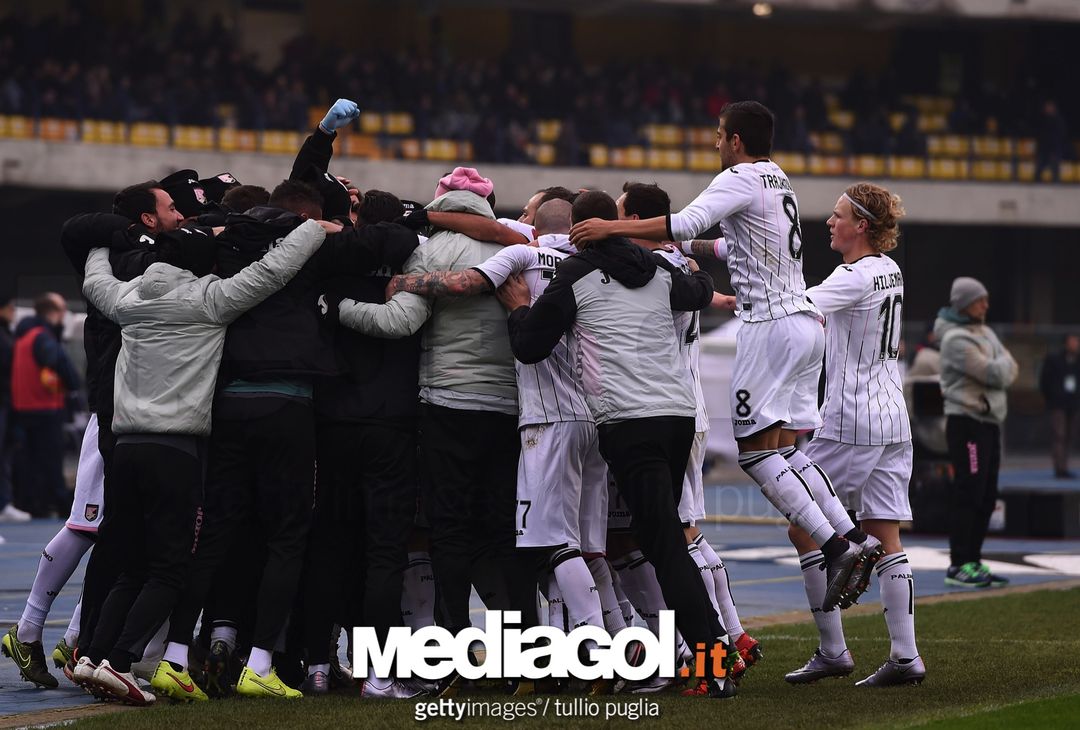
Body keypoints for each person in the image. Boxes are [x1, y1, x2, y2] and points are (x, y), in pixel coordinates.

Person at [570, 101, 878, 612]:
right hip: (803, 322)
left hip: (771, 326)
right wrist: (701, 251)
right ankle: (849, 534)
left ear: (735, 140)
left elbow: (683, 220)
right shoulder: (778, 179)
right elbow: (735, 244)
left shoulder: (739, 176)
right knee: (787, 452)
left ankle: (837, 547)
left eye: (718, 135)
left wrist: (610, 228)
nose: (716, 144)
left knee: (756, 453)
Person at [71, 219, 326, 706]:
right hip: (176, 448)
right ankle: (120, 662)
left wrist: (103, 242)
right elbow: (273, 271)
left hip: (125, 447)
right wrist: (312, 228)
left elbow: (94, 281)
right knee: (170, 568)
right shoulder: (209, 301)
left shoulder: (129, 300)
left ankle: (92, 653)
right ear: (202, 264)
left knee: (131, 565)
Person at [500, 190, 737, 699]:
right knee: (660, 537)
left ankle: (712, 658)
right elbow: (698, 290)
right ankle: (700, 652)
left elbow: (529, 345)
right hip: (676, 412)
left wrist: (520, 308)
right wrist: (687, 262)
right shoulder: (656, 267)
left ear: (581, 231)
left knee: (664, 543)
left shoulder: (575, 274)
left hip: (629, 421)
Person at [335, 168, 535, 694]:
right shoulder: (517, 247)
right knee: (500, 532)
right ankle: (516, 656)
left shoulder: (429, 251)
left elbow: (401, 322)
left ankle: (454, 648)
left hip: (447, 404)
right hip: (508, 408)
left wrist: (344, 309)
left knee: (449, 532)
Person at [784, 182, 925, 687]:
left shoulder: (853, 277)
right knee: (887, 534)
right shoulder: (890, 270)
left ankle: (833, 650)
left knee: (803, 526)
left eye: (838, 214)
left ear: (861, 225)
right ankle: (906, 657)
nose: (829, 221)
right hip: (892, 416)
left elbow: (790, 307)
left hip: (852, 419)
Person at [936, 277, 1017, 589]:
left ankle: (974, 559)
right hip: (967, 423)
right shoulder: (956, 338)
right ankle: (959, 563)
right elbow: (996, 371)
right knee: (969, 491)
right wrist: (1000, 365)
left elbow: (1010, 368)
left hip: (989, 423)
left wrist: (1001, 366)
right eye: (979, 300)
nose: (986, 305)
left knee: (986, 494)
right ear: (965, 304)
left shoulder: (985, 332)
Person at [10, 293, 80, 518]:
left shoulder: (23, 336)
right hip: (45, 406)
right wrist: (74, 385)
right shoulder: (43, 337)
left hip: (24, 407)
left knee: (31, 460)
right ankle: (60, 504)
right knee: (51, 459)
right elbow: (60, 364)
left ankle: (33, 503)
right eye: (62, 310)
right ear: (52, 312)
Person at [0, 293, 29, 524]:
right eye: (10, 307)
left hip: (7, 403)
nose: (13, 312)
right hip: (4, 401)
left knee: (5, 455)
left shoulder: (8, 334)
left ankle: (4, 503)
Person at [1039, 334, 1080, 478]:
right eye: (1073, 342)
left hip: (1074, 405)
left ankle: (1065, 465)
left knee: (1070, 436)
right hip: (1058, 404)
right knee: (1059, 435)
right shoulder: (1054, 360)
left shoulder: (1077, 362)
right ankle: (1059, 468)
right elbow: (1044, 381)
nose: (1075, 344)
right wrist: (1052, 397)